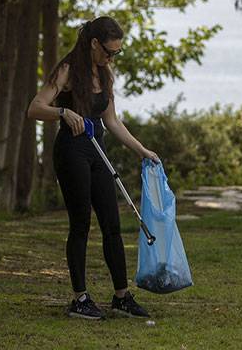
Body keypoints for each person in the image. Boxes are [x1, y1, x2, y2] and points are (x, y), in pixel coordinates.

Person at [27, 17, 159, 320]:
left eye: (116, 54)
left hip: (98, 151)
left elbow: (112, 121)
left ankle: (121, 297)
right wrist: (62, 112)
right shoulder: (68, 71)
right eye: (108, 52)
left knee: (112, 223)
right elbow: (34, 107)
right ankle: (79, 298)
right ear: (94, 44)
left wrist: (142, 151)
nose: (111, 59)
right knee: (81, 224)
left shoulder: (105, 72)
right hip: (72, 152)